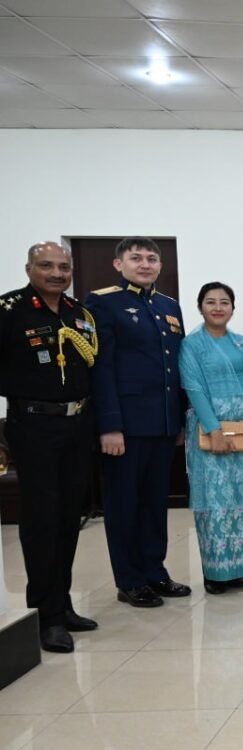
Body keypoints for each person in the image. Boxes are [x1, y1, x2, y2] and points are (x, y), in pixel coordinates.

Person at [0, 242, 98, 651]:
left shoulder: (79, 314)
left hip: (77, 426)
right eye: (46, 266)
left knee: (69, 517)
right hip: (33, 426)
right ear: (29, 268)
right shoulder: (9, 311)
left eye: (63, 266)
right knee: (42, 520)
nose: (57, 273)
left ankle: (62, 603)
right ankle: (45, 615)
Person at [86, 237, 189, 608]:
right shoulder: (103, 302)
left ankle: (155, 572)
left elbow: (175, 367)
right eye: (136, 258)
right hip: (126, 428)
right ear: (119, 264)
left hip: (162, 424)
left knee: (155, 504)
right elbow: (101, 368)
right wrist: (109, 425)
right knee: (124, 505)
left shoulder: (168, 305)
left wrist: (178, 419)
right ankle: (129, 580)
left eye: (151, 258)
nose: (145, 264)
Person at [179, 282, 243, 595]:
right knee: (214, 501)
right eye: (211, 302)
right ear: (200, 306)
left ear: (233, 307)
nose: (218, 308)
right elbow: (194, 387)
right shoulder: (191, 345)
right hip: (209, 429)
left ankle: (237, 567)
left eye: (224, 302)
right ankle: (215, 572)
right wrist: (213, 429)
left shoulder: (242, 343)